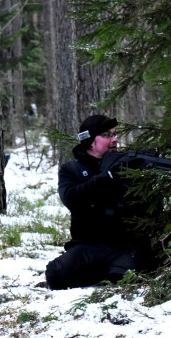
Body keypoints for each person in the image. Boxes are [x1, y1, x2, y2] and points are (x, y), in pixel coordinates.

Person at [45, 115, 156, 290]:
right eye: (107, 135)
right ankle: (98, 273)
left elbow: (148, 207)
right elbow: (71, 198)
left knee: (123, 279)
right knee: (56, 273)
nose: (114, 139)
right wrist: (108, 177)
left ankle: (107, 273)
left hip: (124, 246)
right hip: (88, 246)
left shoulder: (129, 165)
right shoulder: (72, 170)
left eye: (115, 134)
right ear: (90, 141)